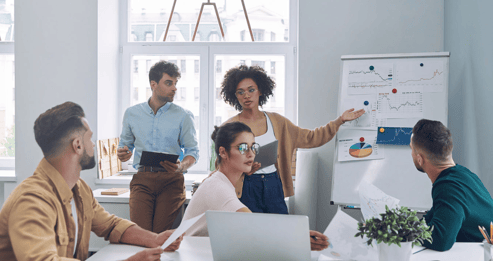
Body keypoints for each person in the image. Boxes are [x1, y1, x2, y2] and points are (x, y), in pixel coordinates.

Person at [0, 102, 182, 261]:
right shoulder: (32, 201)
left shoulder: (79, 189)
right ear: (77, 145)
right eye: (90, 138)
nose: (93, 144)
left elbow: (111, 225)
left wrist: (155, 240)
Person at [219, 64, 365, 214]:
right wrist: (244, 171)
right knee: (249, 233)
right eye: (240, 92)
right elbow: (221, 169)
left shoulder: (278, 122)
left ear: (260, 91)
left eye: (251, 90)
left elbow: (311, 138)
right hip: (245, 188)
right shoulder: (229, 127)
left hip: (273, 184)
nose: (246, 96)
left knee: (280, 232)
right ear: (235, 95)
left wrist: (339, 121)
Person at [182, 122, 329, 251]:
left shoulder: (223, 182)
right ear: (223, 152)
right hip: (191, 254)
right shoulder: (217, 187)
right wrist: (298, 237)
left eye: (253, 147)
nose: (251, 154)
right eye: (242, 148)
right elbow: (253, 225)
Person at [118, 60, 199, 233]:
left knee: (160, 236)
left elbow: (193, 151)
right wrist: (123, 153)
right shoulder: (132, 113)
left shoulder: (183, 116)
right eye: (169, 83)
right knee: (141, 234)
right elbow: (125, 146)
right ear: (153, 85)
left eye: (175, 83)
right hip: (142, 180)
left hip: (171, 181)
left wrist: (182, 166)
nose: (174, 88)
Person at [410, 119, 493, 251]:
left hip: (483, 255)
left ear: (420, 159)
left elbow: (441, 240)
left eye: (411, 149)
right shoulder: (463, 174)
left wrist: (403, 233)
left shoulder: (448, 187)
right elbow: (433, 218)